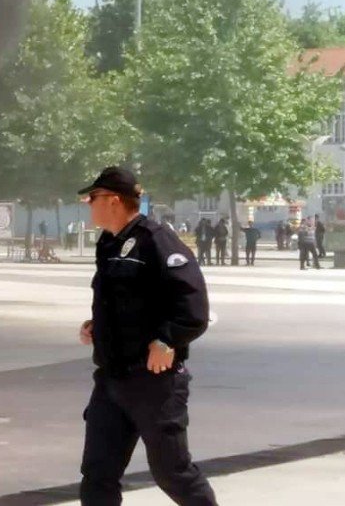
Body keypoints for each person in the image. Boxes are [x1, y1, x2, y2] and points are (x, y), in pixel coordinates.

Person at [76, 166, 217, 506]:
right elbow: (123, 300)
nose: (88, 204)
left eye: (91, 198)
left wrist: (168, 340)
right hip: (112, 378)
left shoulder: (157, 239)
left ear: (112, 200)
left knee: (172, 472)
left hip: (154, 382)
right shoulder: (109, 243)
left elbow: (193, 306)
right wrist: (96, 325)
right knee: (98, 474)